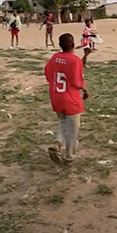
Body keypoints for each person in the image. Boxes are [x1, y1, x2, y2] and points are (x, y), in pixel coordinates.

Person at [44, 33, 89, 165]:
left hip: (56, 98)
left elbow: (48, 74)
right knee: (73, 131)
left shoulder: (55, 58)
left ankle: (58, 144)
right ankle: (69, 157)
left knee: (63, 123)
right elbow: (76, 82)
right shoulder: (75, 60)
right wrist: (85, 90)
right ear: (73, 45)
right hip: (71, 100)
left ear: (60, 45)